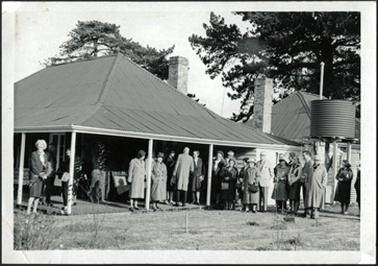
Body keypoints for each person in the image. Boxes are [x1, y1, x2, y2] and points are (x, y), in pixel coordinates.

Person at [27, 139, 50, 215]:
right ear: (37, 146)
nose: (40, 146)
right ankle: (28, 210)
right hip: (35, 176)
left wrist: (45, 173)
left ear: (44, 146)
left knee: (38, 195)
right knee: (32, 194)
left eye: (42, 145)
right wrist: (40, 174)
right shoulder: (34, 154)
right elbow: (33, 166)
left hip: (41, 177)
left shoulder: (45, 155)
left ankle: (34, 210)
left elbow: (46, 166)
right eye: (39, 145)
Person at [305, 154, 328, 219]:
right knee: (309, 200)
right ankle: (309, 213)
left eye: (317, 160)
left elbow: (325, 177)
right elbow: (306, 176)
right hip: (310, 186)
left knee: (317, 201)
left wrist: (323, 185)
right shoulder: (310, 167)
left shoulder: (323, 168)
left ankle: (315, 213)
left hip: (318, 187)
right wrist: (306, 183)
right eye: (315, 160)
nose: (316, 161)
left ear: (319, 161)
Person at [57, 149, 71, 213]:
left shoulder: (73, 160)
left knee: (68, 191)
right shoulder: (66, 160)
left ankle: (68, 204)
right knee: (64, 191)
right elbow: (61, 168)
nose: (66, 152)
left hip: (70, 177)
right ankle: (65, 204)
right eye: (67, 151)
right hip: (65, 176)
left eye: (68, 151)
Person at [301, 150, 313, 217]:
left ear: (308, 155)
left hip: (309, 183)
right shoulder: (306, 163)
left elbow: (310, 174)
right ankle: (306, 211)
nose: (303, 157)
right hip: (304, 182)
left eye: (304, 155)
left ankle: (308, 212)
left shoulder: (310, 163)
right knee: (305, 197)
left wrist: (305, 176)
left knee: (308, 197)